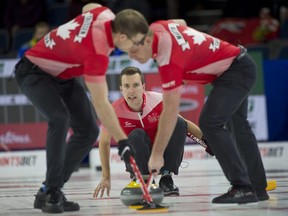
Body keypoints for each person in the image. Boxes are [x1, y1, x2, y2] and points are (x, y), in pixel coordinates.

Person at [13, 3, 149, 214]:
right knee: (59, 118)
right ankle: (52, 192)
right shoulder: (97, 53)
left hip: (63, 75)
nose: (137, 46)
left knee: (89, 131)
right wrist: (122, 140)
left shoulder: (104, 14)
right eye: (136, 41)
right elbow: (101, 102)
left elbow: (89, 6)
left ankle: (48, 189)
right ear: (122, 37)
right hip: (33, 71)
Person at [125, 18, 269, 204]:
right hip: (238, 64)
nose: (131, 55)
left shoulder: (169, 61)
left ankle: (242, 186)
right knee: (240, 128)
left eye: (134, 50)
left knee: (210, 122)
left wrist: (157, 154)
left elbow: (170, 112)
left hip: (234, 72)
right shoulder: (158, 26)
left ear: (145, 40)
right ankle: (257, 188)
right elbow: (181, 21)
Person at [93, 66, 211, 198]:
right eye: (126, 86)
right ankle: (143, 179)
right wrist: (106, 177)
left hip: (161, 156)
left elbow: (185, 124)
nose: (131, 91)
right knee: (137, 134)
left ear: (143, 87)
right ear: (121, 89)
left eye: (136, 85)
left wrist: (209, 142)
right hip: (137, 159)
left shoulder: (159, 100)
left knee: (177, 122)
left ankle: (167, 178)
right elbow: (103, 142)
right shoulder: (113, 111)